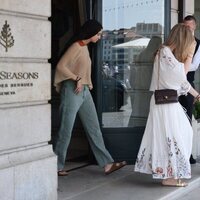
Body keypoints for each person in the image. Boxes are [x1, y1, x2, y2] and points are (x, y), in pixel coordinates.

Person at [53, 19, 126, 176]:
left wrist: (88, 82)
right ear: (91, 32)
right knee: (66, 129)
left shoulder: (84, 47)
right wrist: (76, 79)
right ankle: (56, 166)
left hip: (84, 91)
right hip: (72, 90)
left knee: (94, 128)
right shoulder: (76, 46)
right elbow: (61, 66)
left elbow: (82, 68)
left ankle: (107, 164)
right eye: (98, 33)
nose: (99, 37)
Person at [134, 23, 200, 187]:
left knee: (178, 135)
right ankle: (168, 176)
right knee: (173, 137)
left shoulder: (166, 53)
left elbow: (181, 81)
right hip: (165, 103)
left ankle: (168, 173)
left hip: (167, 102)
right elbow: (181, 75)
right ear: (183, 39)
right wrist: (190, 56)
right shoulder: (164, 52)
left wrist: (196, 94)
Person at [179, 15, 200, 164]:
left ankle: (187, 155)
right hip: (173, 86)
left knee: (186, 121)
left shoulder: (198, 44)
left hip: (188, 85)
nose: (187, 29)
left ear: (194, 27)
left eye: (189, 26)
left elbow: (194, 65)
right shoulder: (178, 41)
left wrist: (176, 66)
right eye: (185, 26)